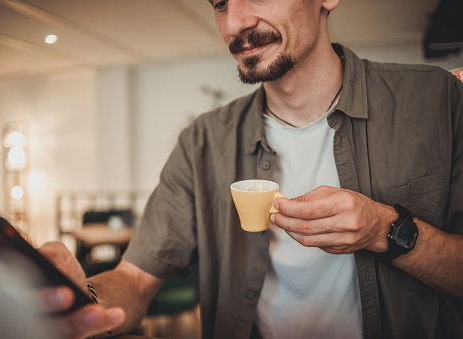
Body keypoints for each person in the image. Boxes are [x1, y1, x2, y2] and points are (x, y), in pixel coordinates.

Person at [40, 0, 463, 338]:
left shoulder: (438, 100)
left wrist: (383, 229)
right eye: (220, 3)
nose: (234, 22)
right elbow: (134, 279)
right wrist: (85, 301)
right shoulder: (200, 143)